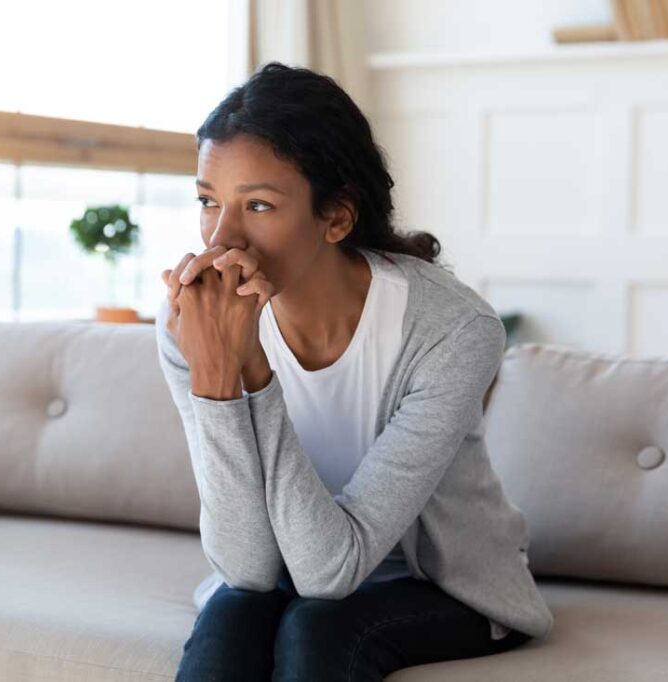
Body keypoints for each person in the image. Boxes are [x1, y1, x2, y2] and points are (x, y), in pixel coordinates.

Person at [154, 61, 553, 682]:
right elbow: (247, 568)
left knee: (317, 622)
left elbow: (327, 575)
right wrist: (214, 382)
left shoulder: (452, 331)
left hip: (443, 588)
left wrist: (250, 372)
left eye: (258, 204)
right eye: (208, 201)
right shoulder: (191, 321)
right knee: (233, 612)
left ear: (336, 218)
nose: (222, 238)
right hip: (291, 573)